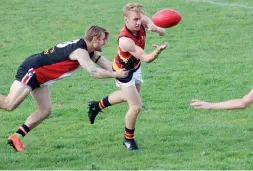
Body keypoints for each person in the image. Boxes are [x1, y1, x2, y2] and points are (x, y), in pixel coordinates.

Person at [0, 25, 128, 152]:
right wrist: (115, 75)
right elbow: (93, 72)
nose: (105, 42)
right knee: (9, 104)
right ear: (95, 39)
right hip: (33, 70)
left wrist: (129, 66)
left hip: (41, 77)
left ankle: (16, 137)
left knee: (45, 110)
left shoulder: (89, 50)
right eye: (103, 39)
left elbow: (108, 65)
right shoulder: (80, 51)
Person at [87, 3, 167, 150]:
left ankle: (96, 105)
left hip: (135, 67)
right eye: (134, 20)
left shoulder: (141, 20)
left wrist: (157, 28)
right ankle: (128, 139)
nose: (138, 22)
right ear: (126, 20)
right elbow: (146, 58)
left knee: (128, 96)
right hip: (123, 72)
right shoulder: (125, 40)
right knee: (136, 106)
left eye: (139, 19)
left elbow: (163, 32)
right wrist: (157, 52)